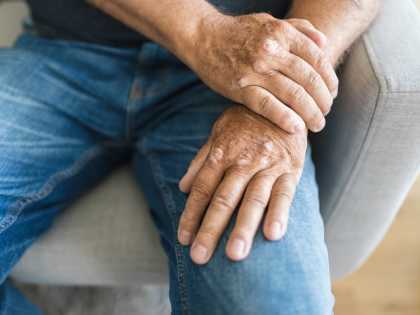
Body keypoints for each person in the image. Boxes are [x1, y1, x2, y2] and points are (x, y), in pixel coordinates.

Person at [0, 0, 379, 314]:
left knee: (274, 305)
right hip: (64, 51)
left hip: (246, 75)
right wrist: (202, 33)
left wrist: (282, 88)